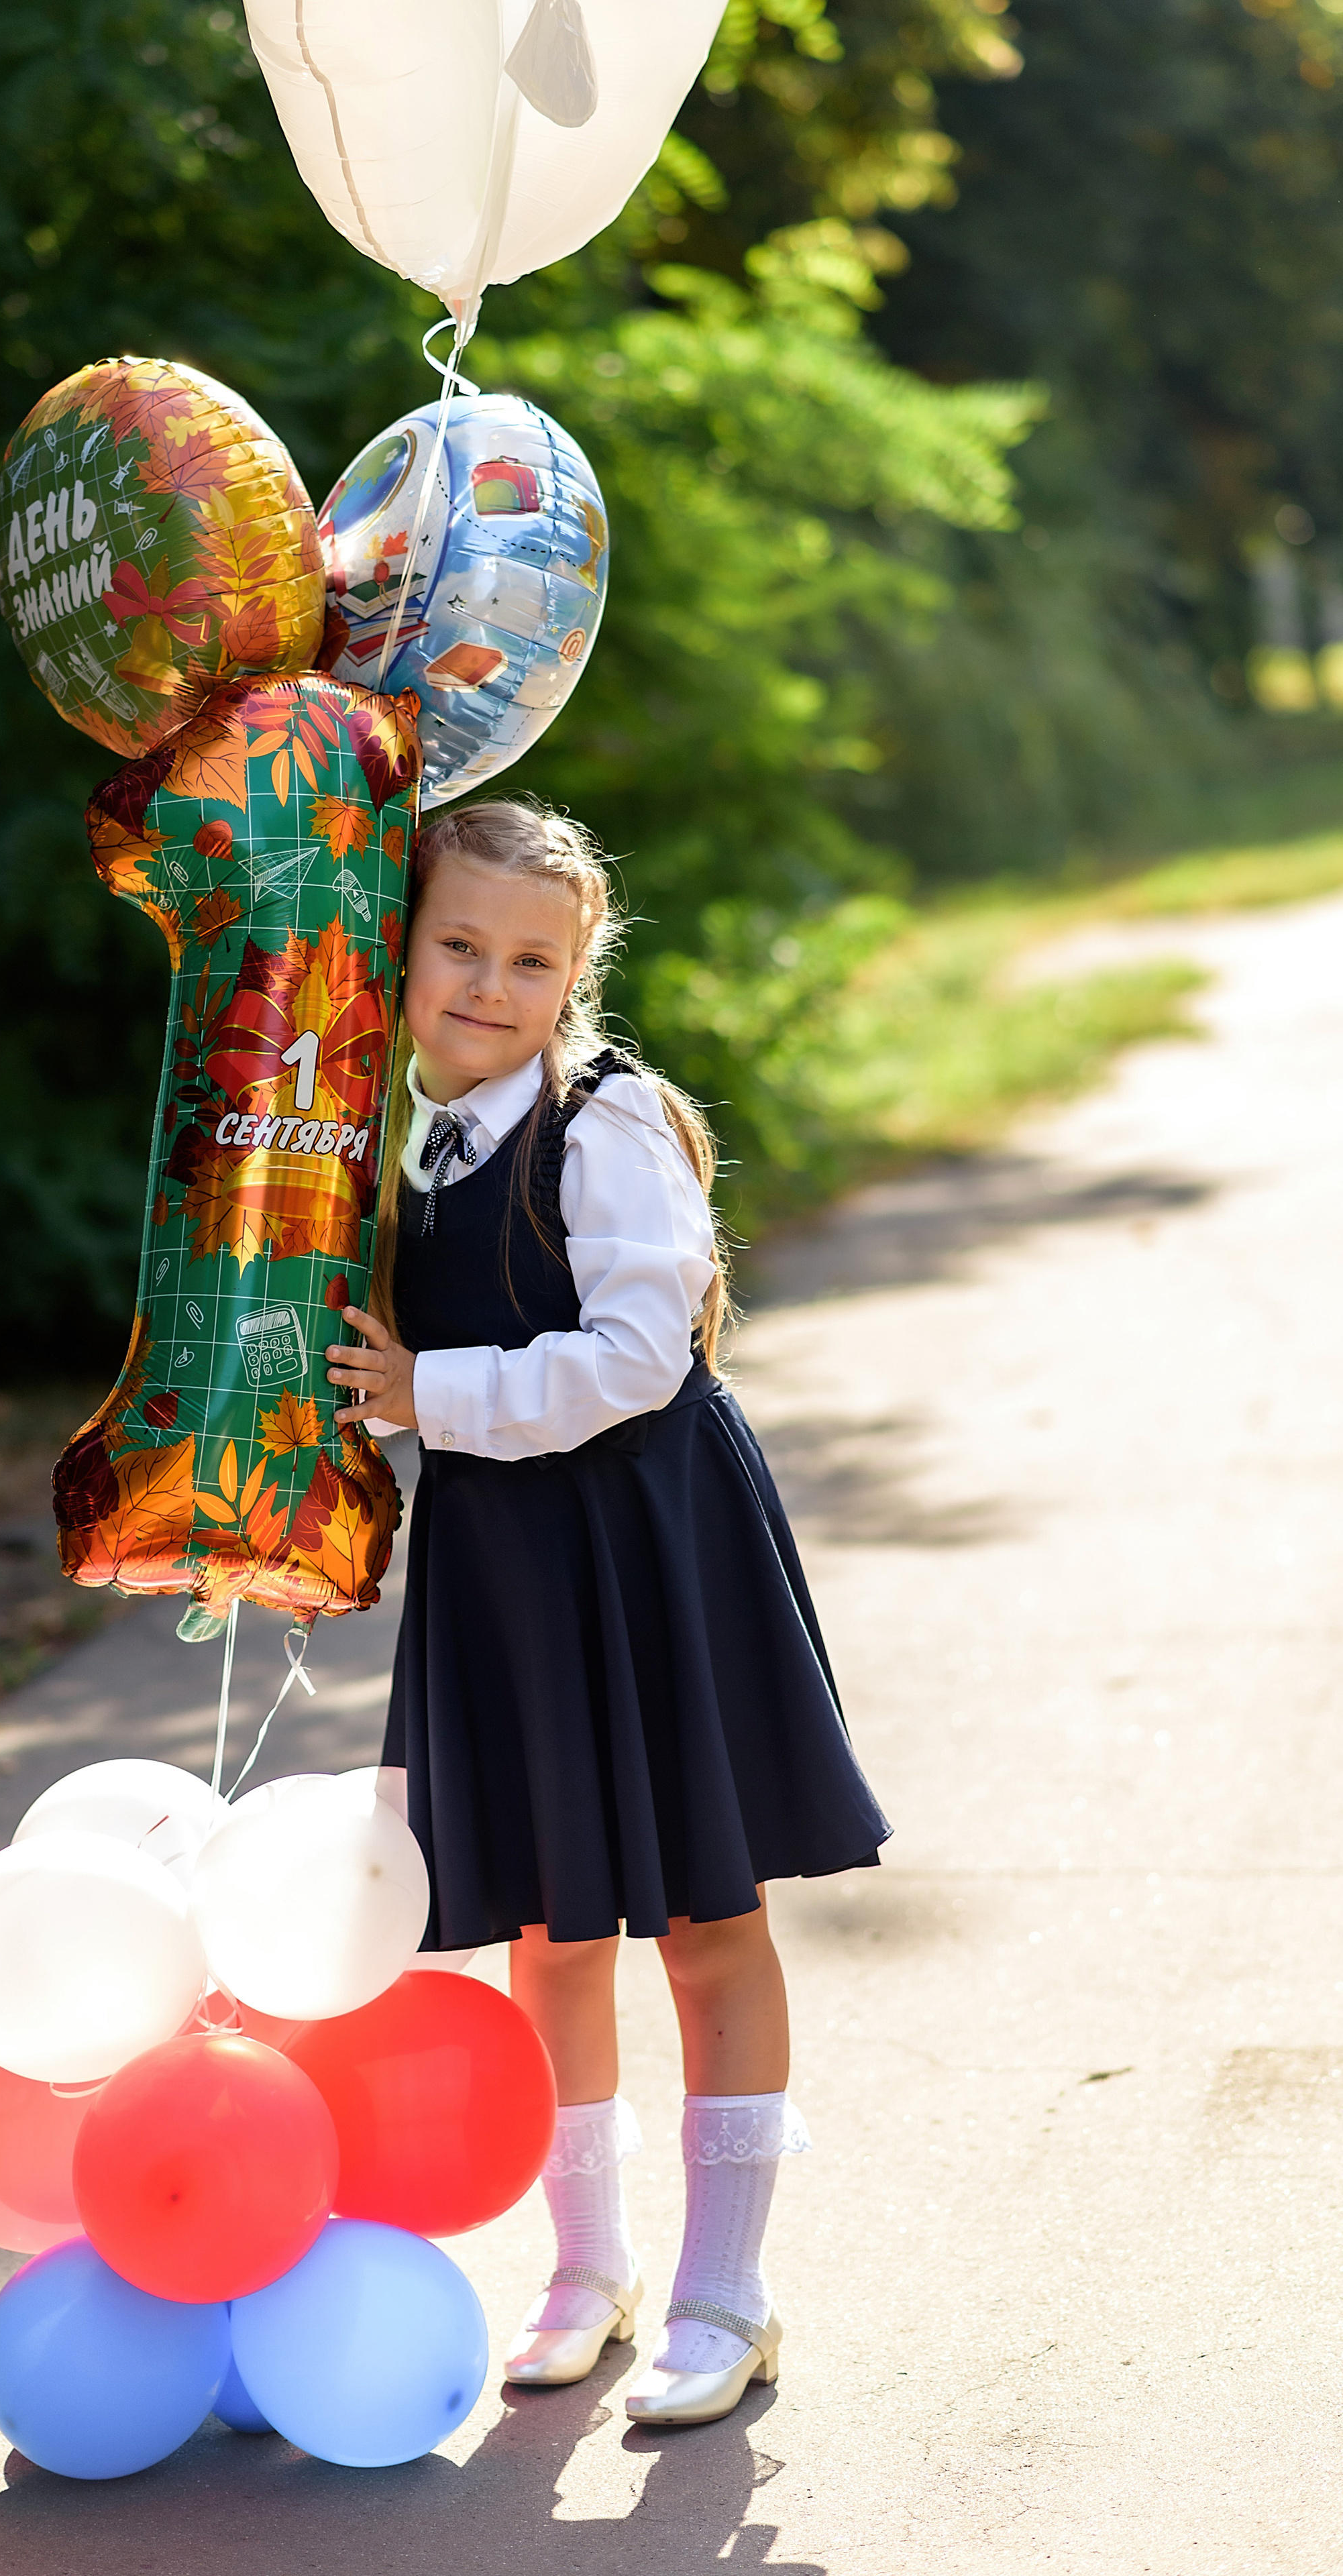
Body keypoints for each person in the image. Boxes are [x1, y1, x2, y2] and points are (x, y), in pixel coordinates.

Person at [325, 797, 890, 2428]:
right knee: (547, 1929)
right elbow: (403, 1386)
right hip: (507, 1567)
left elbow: (641, 1358)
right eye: (457, 947)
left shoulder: (604, 1122)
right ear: (404, 946)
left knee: (707, 1924)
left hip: (647, 1545)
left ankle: (728, 2290)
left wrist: (432, 1390)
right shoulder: (394, 1138)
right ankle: (586, 2270)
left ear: (576, 973)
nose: (488, 986)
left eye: (530, 961)